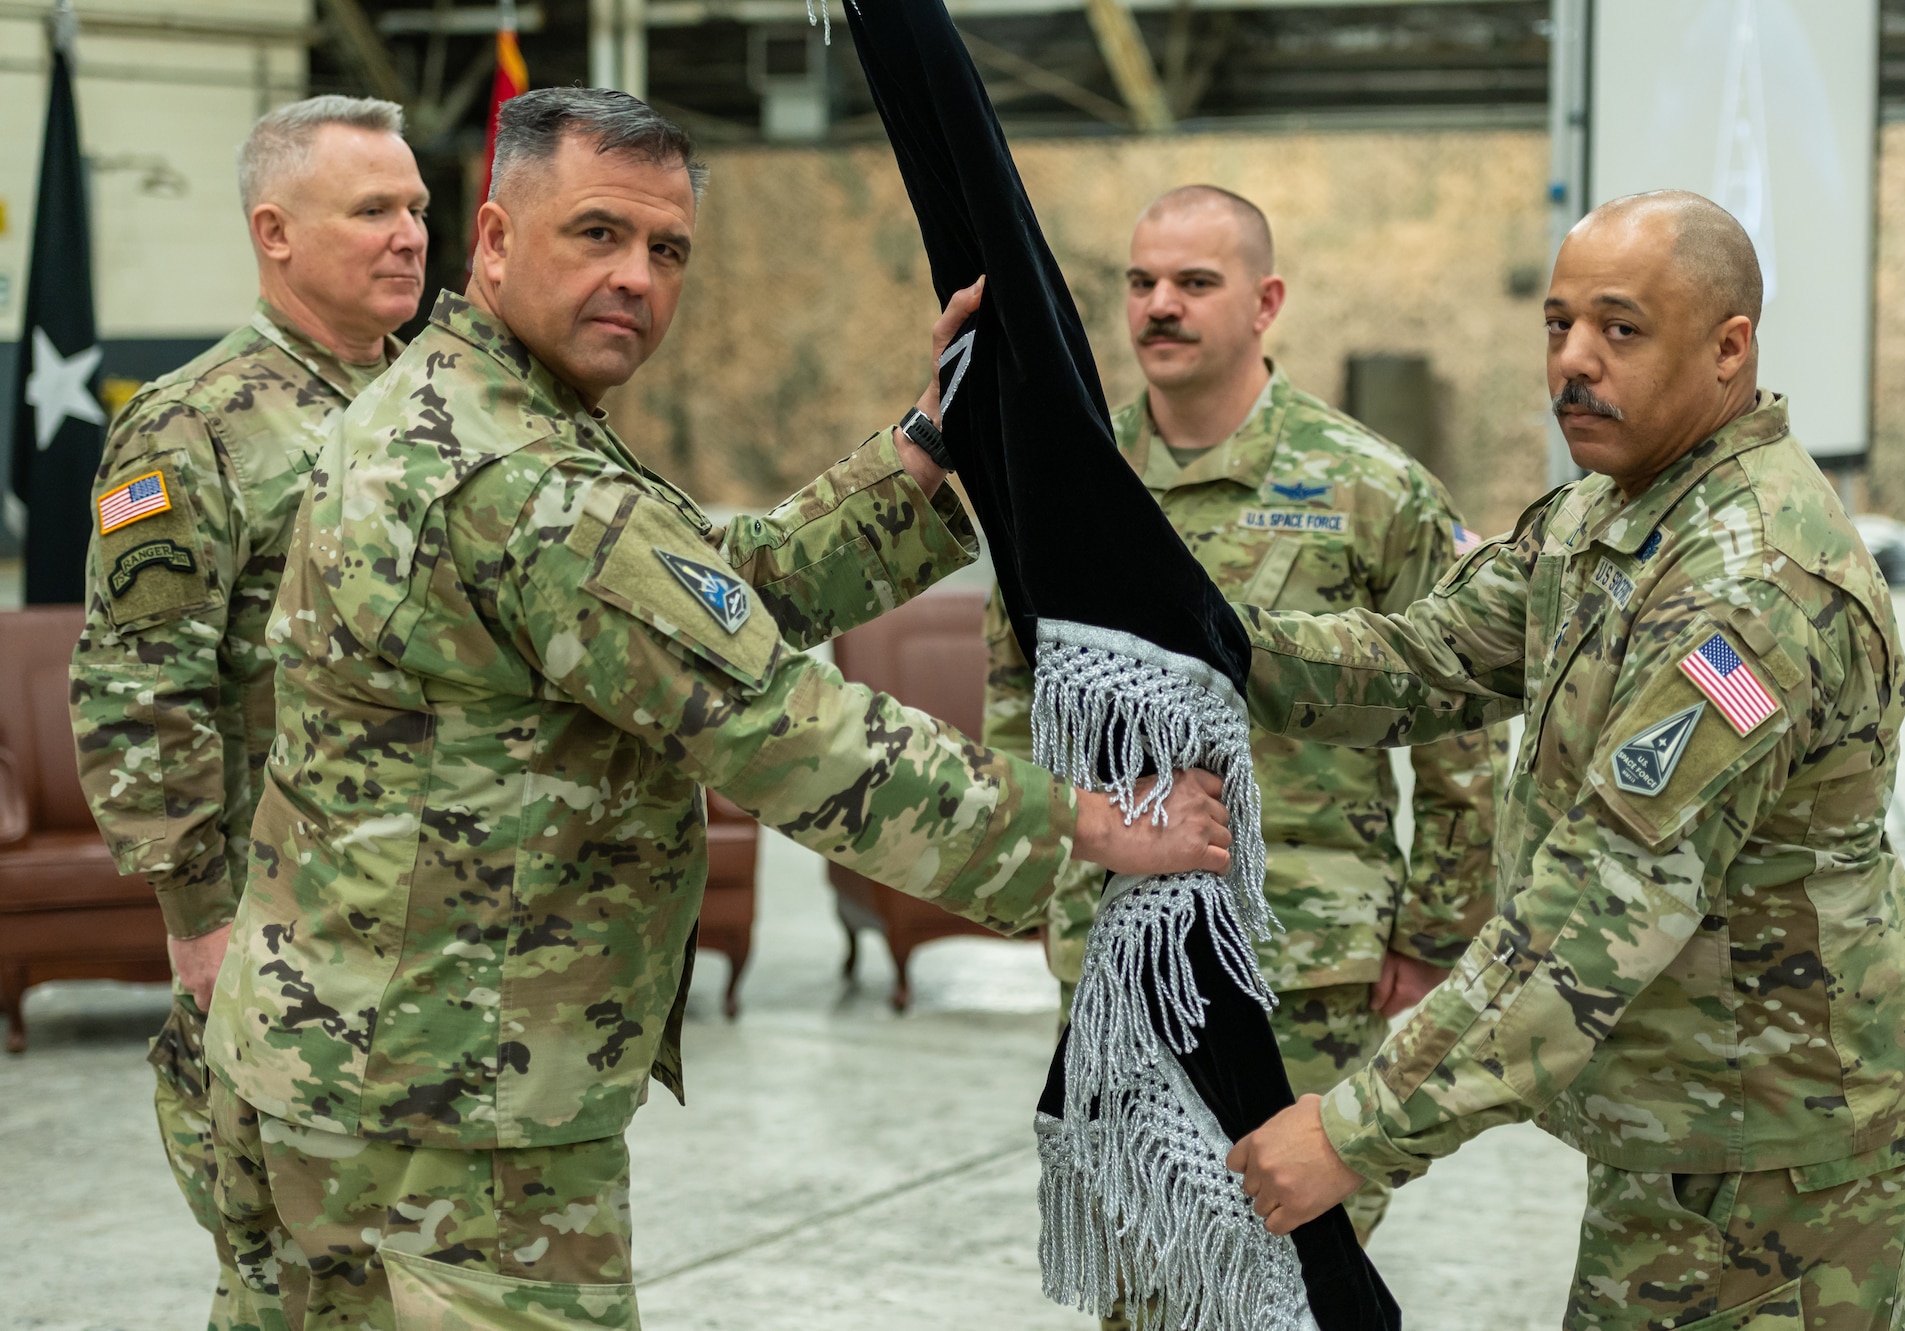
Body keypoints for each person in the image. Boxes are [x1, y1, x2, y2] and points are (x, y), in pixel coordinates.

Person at [196, 87, 1231, 1329]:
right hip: (455, 1127)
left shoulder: (456, 411)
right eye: (596, 234)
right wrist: (1095, 823)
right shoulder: (523, 479)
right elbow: (790, 731)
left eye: (665, 249)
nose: (634, 276)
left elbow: (694, 590)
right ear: (495, 239)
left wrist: (920, 456)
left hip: (333, 1066)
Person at [1227, 191, 1905, 1329]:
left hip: (1775, 1148)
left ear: (1726, 347)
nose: (1570, 361)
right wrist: (1212, 645)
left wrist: (1355, 1127)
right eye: (1556, 325)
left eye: (1618, 329)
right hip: (1687, 1110)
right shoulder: (1606, 515)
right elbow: (1421, 659)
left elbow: (1597, 907)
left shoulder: (1746, 585)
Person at [984, 185, 1502, 1248]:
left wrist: (1435, 929)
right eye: (1140, 283)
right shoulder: (1070, 484)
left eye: (1192, 283)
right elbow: (1013, 690)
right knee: (1138, 1263)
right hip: (1115, 944)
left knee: (1291, 1277)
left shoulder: (1369, 488)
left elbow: (1460, 728)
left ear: (1264, 302)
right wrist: (1036, 873)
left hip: (1302, 949)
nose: (1157, 306)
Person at [67, 94, 429, 1330]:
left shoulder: (447, 403)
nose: (409, 235)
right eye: (372, 209)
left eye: (418, 208)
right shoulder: (193, 424)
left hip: (437, 930)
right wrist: (196, 913)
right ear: (274, 231)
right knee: (296, 1281)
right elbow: (137, 683)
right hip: (284, 937)